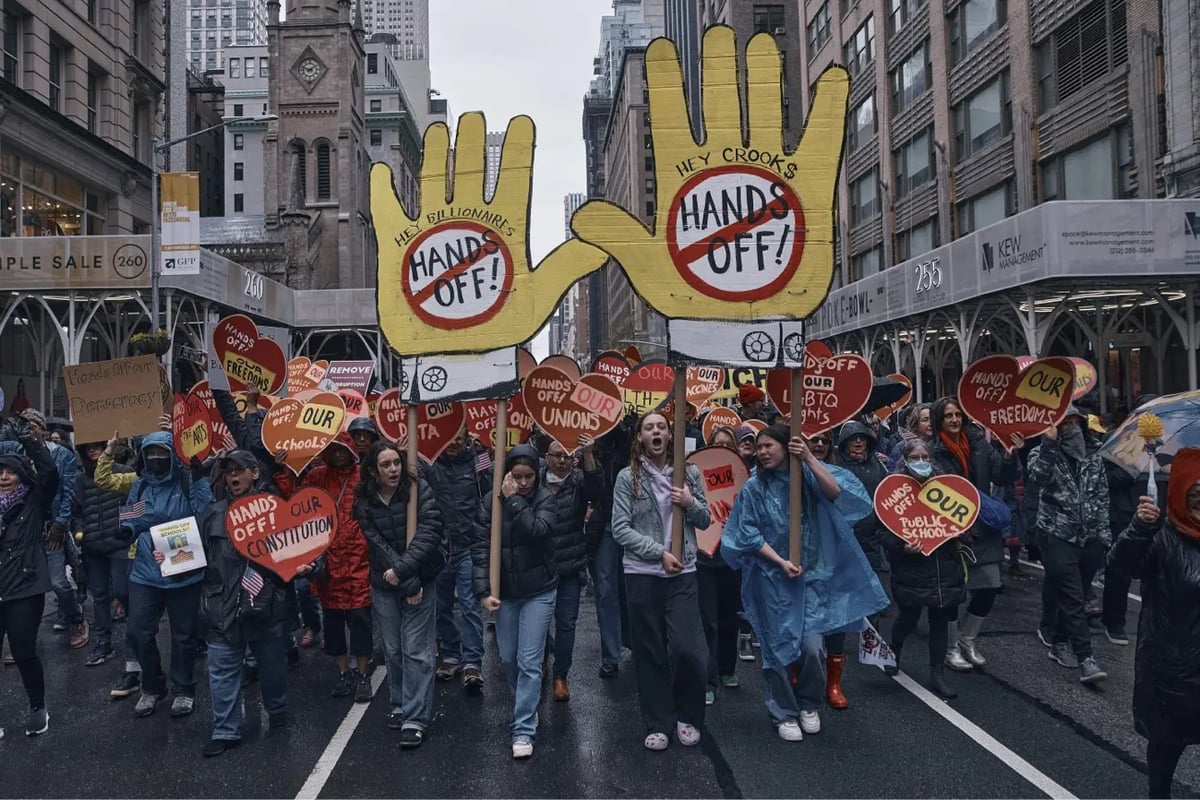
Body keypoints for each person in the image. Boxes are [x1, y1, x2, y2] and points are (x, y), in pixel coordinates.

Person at [722, 426, 888, 742]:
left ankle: (808, 703)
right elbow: (747, 534)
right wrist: (781, 562)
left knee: (812, 647)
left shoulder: (806, 479)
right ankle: (782, 711)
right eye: (759, 447)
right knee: (778, 648)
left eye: (769, 445)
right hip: (772, 580)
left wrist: (809, 457)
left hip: (810, 577)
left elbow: (835, 492)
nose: (762, 452)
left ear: (786, 448)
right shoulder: (754, 489)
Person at [95, 427, 214, 718]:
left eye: (163, 454)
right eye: (152, 455)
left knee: (184, 635)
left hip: (184, 569)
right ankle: (152, 685)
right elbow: (134, 513)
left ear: (173, 456)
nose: (157, 460)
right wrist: (126, 527)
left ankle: (184, 689)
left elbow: (206, 509)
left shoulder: (187, 480)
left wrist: (198, 476)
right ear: (144, 457)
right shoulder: (141, 484)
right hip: (146, 570)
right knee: (137, 631)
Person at [611, 411, 711, 751]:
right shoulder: (628, 477)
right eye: (649, 428)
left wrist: (690, 501)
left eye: (662, 427)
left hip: (683, 572)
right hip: (642, 573)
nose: (656, 432)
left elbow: (706, 519)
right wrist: (657, 553)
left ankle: (688, 716)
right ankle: (658, 722)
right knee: (650, 650)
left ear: (671, 435)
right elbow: (620, 528)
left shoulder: (689, 473)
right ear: (639, 437)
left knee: (688, 649)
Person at [1108, 451, 1200, 798]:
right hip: (1171, 672)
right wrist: (1139, 528)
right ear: (1178, 495)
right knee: (1166, 747)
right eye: (1196, 495)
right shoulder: (1161, 539)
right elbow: (1120, 566)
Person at [197, 450, 299, 757]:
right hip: (222, 608)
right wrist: (173, 559)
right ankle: (225, 730)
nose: (232, 477)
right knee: (222, 670)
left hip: (265, 605)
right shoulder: (213, 514)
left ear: (255, 473)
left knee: (272, 666)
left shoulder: (275, 511)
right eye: (227, 472)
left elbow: (301, 551)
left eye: (238, 470)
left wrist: (305, 567)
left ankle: (277, 710)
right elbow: (194, 557)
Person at [354, 440, 444, 747]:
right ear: (373, 471)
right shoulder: (364, 501)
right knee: (393, 649)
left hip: (421, 577)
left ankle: (415, 718)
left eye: (396, 463)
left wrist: (409, 575)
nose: (393, 470)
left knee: (416, 650)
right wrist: (405, 579)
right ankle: (399, 702)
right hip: (387, 582)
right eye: (386, 465)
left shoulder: (417, 490)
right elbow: (377, 543)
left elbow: (430, 530)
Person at [471, 444, 558, 759]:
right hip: (505, 592)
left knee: (529, 661)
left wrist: (514, 500)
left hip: (538, 590)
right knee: (507, 657)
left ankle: (523, 727)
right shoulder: (488, 502)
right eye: (516, 476)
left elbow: (538, 530)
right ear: (506, 473)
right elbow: (480, 547)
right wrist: (483, 590)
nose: (522, 482)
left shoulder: (546, 499)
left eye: (528, 477)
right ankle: (526, 702)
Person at [275, 434, 373, 702]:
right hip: (328, 563)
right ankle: (344, 672)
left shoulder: (365, 475)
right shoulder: (317, 476)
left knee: (361, 623)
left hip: (359, 561)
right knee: (333, 625)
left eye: (343, 450)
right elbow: (295, 501)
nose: (339, 455)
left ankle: (364, 674)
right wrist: (283, 470)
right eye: (334, 450)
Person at [929, 397, 1020, 672]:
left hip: (982, 525)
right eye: (948, 416)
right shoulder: (933, 451)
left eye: (958, 414)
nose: (955, 420)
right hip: (952, 529)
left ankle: (968, 639)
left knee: (990, 585)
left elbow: (1003, 476)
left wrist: (1009, 454)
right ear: (939, 421)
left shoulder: (979, 444)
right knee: (955, 592)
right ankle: (951, 647)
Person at [1027, 408, 1110, 685]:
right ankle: (1086, 658)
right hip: (1056, 534)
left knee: (1079, 591)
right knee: (1074, 597)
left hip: (1089, 537)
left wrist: (1104, 536)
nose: (1071, 428)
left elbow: (1102, 496)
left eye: (1075, 422)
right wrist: (1049, 444)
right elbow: (1038, 478)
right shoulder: (1042, 453)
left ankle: (1059, 639)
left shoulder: (1094, 457)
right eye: (1065, 424)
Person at [882, 439, 967, 699]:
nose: (921, 461)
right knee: (908, 618)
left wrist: (961, 531)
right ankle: (893, 651)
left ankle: (937, 673)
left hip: (944, 566)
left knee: (940, 623)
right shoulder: (894, 492)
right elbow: (883, 532)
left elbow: (965, 518)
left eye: (925, 456)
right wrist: (901, 547)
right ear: (905, 460)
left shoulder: (947, 489)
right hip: (912, 570)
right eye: (915, 457)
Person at [4, 410, 85, 648]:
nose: (28, 430)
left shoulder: (61, 455)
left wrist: (61, 523)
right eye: (24, 426)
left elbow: (67, 490)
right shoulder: (17, 452)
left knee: (59, 582)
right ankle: (18, 639)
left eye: (32, 426)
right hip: (23, 530)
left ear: (41, 428)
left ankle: (76, 617)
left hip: (52, 527)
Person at [0, 415, 58, 736]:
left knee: (23, 652)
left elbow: (49, 473)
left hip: (24, 587)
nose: (4, 477)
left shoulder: (33, 502)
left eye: (9, 471)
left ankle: (38, 707)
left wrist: (31, 442)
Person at [541, 435, 605, 702]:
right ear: (546, 458)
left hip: (570, 565)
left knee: (566, 624)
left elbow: (597, 491)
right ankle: (541, 660)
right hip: (539, 566)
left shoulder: (579, 481)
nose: (562, 461)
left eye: (567, 456)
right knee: (539, 623)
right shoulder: (534, 481)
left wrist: (589, 455)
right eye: (556, 455)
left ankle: (560, 675)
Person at [427, 426, 489, 692]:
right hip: (439, 548)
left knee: (470, 605)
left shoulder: (478, 461)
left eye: (459, 438)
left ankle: (473, 661)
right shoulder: (430, 463)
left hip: (468, 547)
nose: (453, 442)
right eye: (449, 437)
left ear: (466, 439)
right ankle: (452, 653)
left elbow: (490, 490)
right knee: (440, 607)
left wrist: (485, 450)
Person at [72, 439, 135, 667]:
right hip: (93, 547)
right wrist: (80, 531)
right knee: (99, 598)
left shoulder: (124, 473)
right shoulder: (80, 480)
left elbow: (134, 503)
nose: (92, 450)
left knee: (123, 591)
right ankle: (103, 644)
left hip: (119, 544)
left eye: (97, 445)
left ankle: (135, 641)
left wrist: (128, 529)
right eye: (87, 447)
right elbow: (76, 511)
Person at [698, 426, 745, 704]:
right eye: (719, 443)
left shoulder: (743, 476)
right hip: (704, 559)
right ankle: (707, 677)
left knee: (730, 618)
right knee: (707, 621)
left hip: (732, 558)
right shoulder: (697, 473)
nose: (725, 447)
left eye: (729, 443)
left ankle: (727, 668)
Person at [887, 403, 933, 469]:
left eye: (932, 419)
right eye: (925, 420)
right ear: (916, 424)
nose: (930, 423)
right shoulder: (901, 447)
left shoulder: (939, 445)